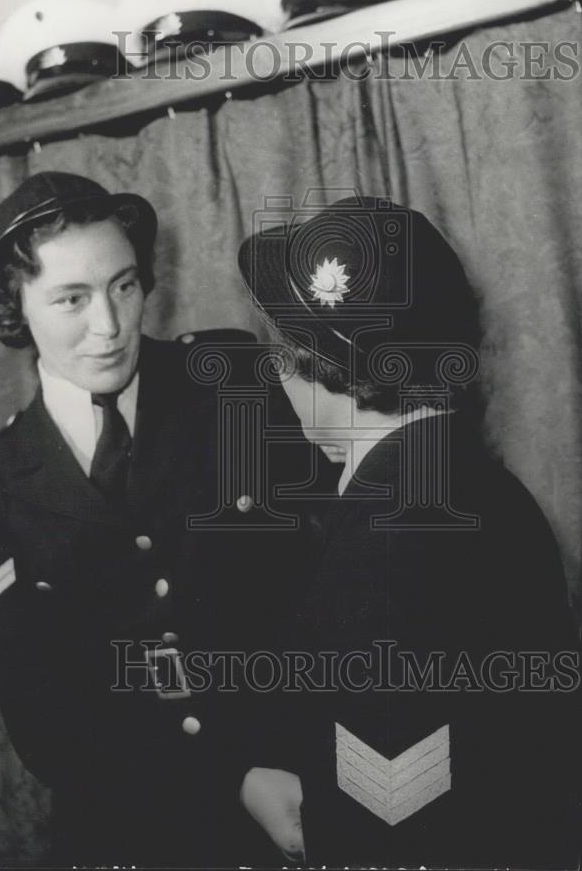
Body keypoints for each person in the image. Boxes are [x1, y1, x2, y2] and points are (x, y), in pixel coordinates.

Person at [0, 171, 312, 866]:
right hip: (132, 825)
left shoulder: (230, 379)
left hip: (296, 790)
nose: (109, 326)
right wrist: (226, 781)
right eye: (70, 299)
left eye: (123, 285)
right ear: (14, 307)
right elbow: (39, 705)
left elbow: (320, 589)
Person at [237, 197, 579, 868]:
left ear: (313, 363)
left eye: (280, 351)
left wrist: (293, 820)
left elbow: (389, 812)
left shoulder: (381, 541)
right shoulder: (487, 488)